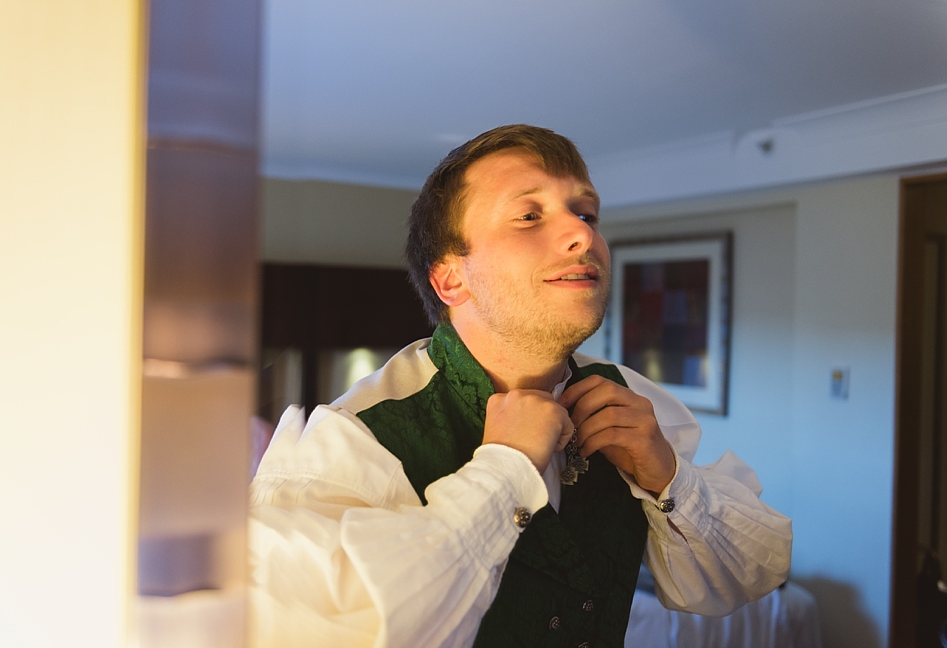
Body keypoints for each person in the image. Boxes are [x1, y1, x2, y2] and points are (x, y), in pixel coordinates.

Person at [249, 124, 792, 648]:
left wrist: (668, 478)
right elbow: (310, 628)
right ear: (451, 279)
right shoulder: (352, 441)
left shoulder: (632, 399)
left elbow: (753, 572)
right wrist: (503, 470)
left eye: (586, 212)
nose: (583, 233)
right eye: (529, 216)